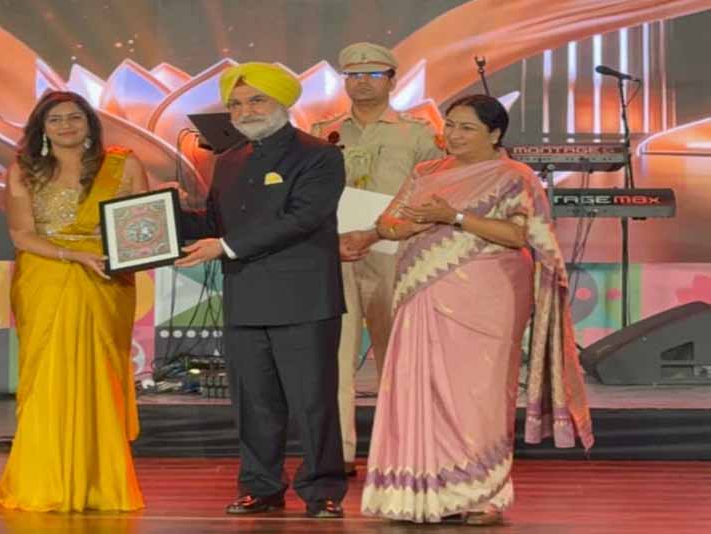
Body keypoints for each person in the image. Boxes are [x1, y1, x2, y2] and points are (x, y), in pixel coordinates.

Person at [360, 94, 593, 525]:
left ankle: (484, 494)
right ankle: (415, 495)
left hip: (488, 296)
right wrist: (410, 224)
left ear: (494, 133)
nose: (454, 135)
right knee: (420, 388)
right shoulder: (426, 172)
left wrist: (454, 217)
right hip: (422, 292)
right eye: (450, 125)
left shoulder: (515, 176)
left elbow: (519, 235)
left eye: (467, 128)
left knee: (478, 395)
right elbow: (388, 223)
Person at [177, 62, 347, 519]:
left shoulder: (319, 155)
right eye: (235, 104)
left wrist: (226, 246)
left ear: (282, 102)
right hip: (246, 296)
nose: (245, 110)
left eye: (256, 100)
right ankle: (261, 487)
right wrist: (162, 218)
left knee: (313, 402)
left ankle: (322, 490)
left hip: (304, 300)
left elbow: (303, 218)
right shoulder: (229, 160)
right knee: (253, 403)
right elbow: (215, 223)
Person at [0, 90, 149, 513]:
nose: (66, 126)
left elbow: (142, 227)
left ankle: (101, 483)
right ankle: (44, 481)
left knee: (102, 374)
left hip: (106, 277)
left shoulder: (123, 164)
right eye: (56, 119)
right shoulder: (24, 170)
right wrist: (72, 254)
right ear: (42, 128)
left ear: (90, 124)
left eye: (75, 117)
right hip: (46, 276)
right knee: (47, 375)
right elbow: (21, 235)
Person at [311, 42, 442, 474]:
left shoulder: (419, 134)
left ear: (392, 80)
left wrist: (382, 230)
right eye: (353, 75)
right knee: (335, 357)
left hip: (395, 252)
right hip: (336, 254)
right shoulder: (321, 132)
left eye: (372, 74)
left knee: (400, 355)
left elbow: (434, 192)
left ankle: (402, 451)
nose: (362, 82)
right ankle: (339, 454)